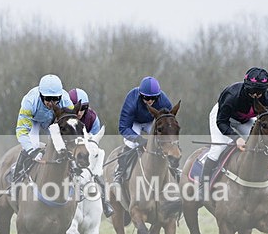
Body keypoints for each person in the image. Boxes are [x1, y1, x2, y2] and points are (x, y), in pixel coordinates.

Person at [202, 66, 268, 199]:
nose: (256, 96)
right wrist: (236, 138)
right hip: (223, 117)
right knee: (219, 148)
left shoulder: (267, 99)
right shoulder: (232, 96)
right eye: (253, 92)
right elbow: (221, 122)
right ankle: (203, 187)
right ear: (247, 87)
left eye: (260, 92)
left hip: (244, 120)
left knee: (263, 143)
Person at [112, 76, 173, 186]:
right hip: (135, 122)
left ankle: (173, 169)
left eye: (153, 98)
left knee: (164, 141)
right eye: (146, 98)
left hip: (152, 122)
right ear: (140, 95)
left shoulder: (164, 102)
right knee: (131, 143)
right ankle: (119, 172)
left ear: (158, 96)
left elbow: (169, 125)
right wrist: (138, 139)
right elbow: (123, 128)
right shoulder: (132, 100)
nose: (150, 101)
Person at [12, 74, 73, 183]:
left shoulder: (67, 102)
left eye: (55, 99)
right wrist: (31, 151)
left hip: (54, 121)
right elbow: (22, 131)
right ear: (40, 95)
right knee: (33, 146)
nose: (51, 103)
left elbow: (72, 126)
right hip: (34, 121)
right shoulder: (30, 102)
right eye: (48, 99)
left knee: (60, 146)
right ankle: (17, 178)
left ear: (60, 96)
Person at [68, 87, 112, 217]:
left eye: (83, 108)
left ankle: (105, 203)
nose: (80, 112)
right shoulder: (65, 117)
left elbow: (93, 143)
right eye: (77, 108)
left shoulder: (93, 118)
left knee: (98, 173)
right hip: (69, 150)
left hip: (86, 152)